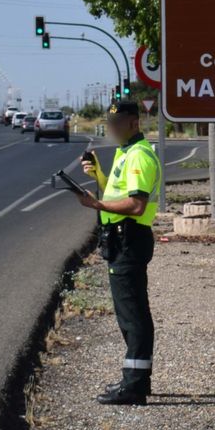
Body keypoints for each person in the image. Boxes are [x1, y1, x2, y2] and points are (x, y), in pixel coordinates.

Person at [73, 99, 163, 405]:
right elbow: (118, 191)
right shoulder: (126, 152)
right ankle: (134, 379)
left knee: (133, 315)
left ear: (134, 123)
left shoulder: (139, 155)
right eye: (109, 123)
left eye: (117, 123)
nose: (111, 129)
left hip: (129, 238)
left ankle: (135, 386)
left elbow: (136, 205)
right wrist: (98, 176)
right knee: (129, 313)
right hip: (121, 239)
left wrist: (96, 204)